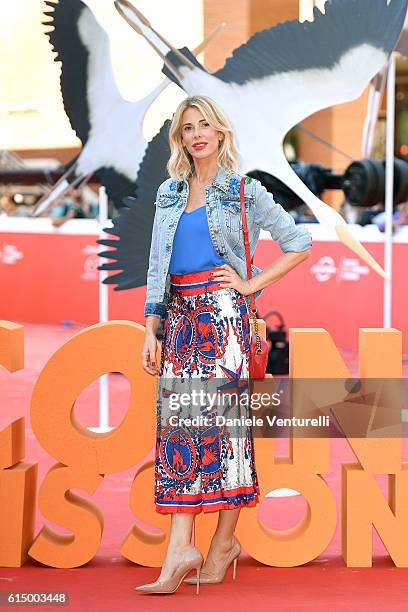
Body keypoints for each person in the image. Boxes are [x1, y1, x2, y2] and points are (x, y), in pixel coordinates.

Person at [139, 95, 312, 595]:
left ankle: (219, 545)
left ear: (220, 132)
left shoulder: (244, 191)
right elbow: (157, 267)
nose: (196, 134)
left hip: (223, 322)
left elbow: (299, 243)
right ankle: (184, 549)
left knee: (224, 432)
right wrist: (150, 326)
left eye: (204, 125)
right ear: (181, 138)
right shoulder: (168, 194)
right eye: (187, 127)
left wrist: (251, 285)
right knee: (178, 432)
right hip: (179, 321)